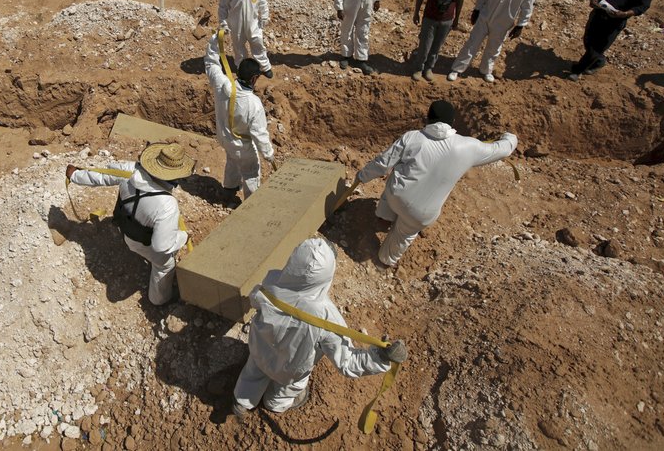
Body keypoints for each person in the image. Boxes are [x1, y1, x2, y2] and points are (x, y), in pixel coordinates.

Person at [231, 238, 407, 417]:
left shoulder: (272, 281)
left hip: (259, 350)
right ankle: (274, 404)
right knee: (286, 389)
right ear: (327, 276)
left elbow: (255, 299)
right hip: (291, 369)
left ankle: (242, 401)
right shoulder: (327, 319)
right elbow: (347, 362)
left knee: (252, 373)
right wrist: (381, 358)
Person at [354, 100, 517, 267]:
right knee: (403, 235)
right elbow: (502, 149)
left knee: (396, 175)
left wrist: (362, 176)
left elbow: (383, 164)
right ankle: (384, 261)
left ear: (428, 118)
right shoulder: (469, 146)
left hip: (397, 197)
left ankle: (384, 217)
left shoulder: (413, 137)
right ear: (452, 122)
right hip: (422, 213)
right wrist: (509, 137)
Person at [65, 142, 195, 306]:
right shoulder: (167, 206)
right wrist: (183, 236)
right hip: (141, 244)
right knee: (165, 265)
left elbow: (101, 177)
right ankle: (159, 300)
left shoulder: (128, 170)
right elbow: (162, 246)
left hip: (125, 230)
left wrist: (75, 175)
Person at [204, 30, 276, 200]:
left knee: (232, 161)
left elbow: (211, 63)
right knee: (251, 171)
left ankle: (229, 192)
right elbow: (259, 134)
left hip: (224, 138)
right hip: (241, 145)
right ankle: (251, 204)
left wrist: (215, 39)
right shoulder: (254, 104)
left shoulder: (222, 84)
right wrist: (268, 154)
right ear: (253, 79)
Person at [447, 0, 537, 83]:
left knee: (494, 47)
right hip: (486, 15)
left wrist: (521, 25)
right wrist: (477, 9)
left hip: (504, 21)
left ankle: (485, 70)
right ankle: (457, 69)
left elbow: (527, 6)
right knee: (472, 43)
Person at [569, 0, 655, 80]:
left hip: (615, 22)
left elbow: (642, 7)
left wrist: (625, 13)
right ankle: (599, 61)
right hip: (598, 15)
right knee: (588, 41)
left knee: (598, 47)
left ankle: (577, 71)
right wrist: (593, 0)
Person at [410, 0, 469, 82]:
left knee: (437, 46)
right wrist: (416, 12)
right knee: (425, 45)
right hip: (430, 17)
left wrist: (456, 18)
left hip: (447, 19)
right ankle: (418, 68)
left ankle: (429, 68)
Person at [218, 0, 273, 78]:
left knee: (258, 44)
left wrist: (264, 17)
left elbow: (263, 1)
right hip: (236, 25)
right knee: (239, 48)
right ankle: (241, 68)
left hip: (253, 24)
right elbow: (222, 7)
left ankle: (265, 67)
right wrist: (223, 23)